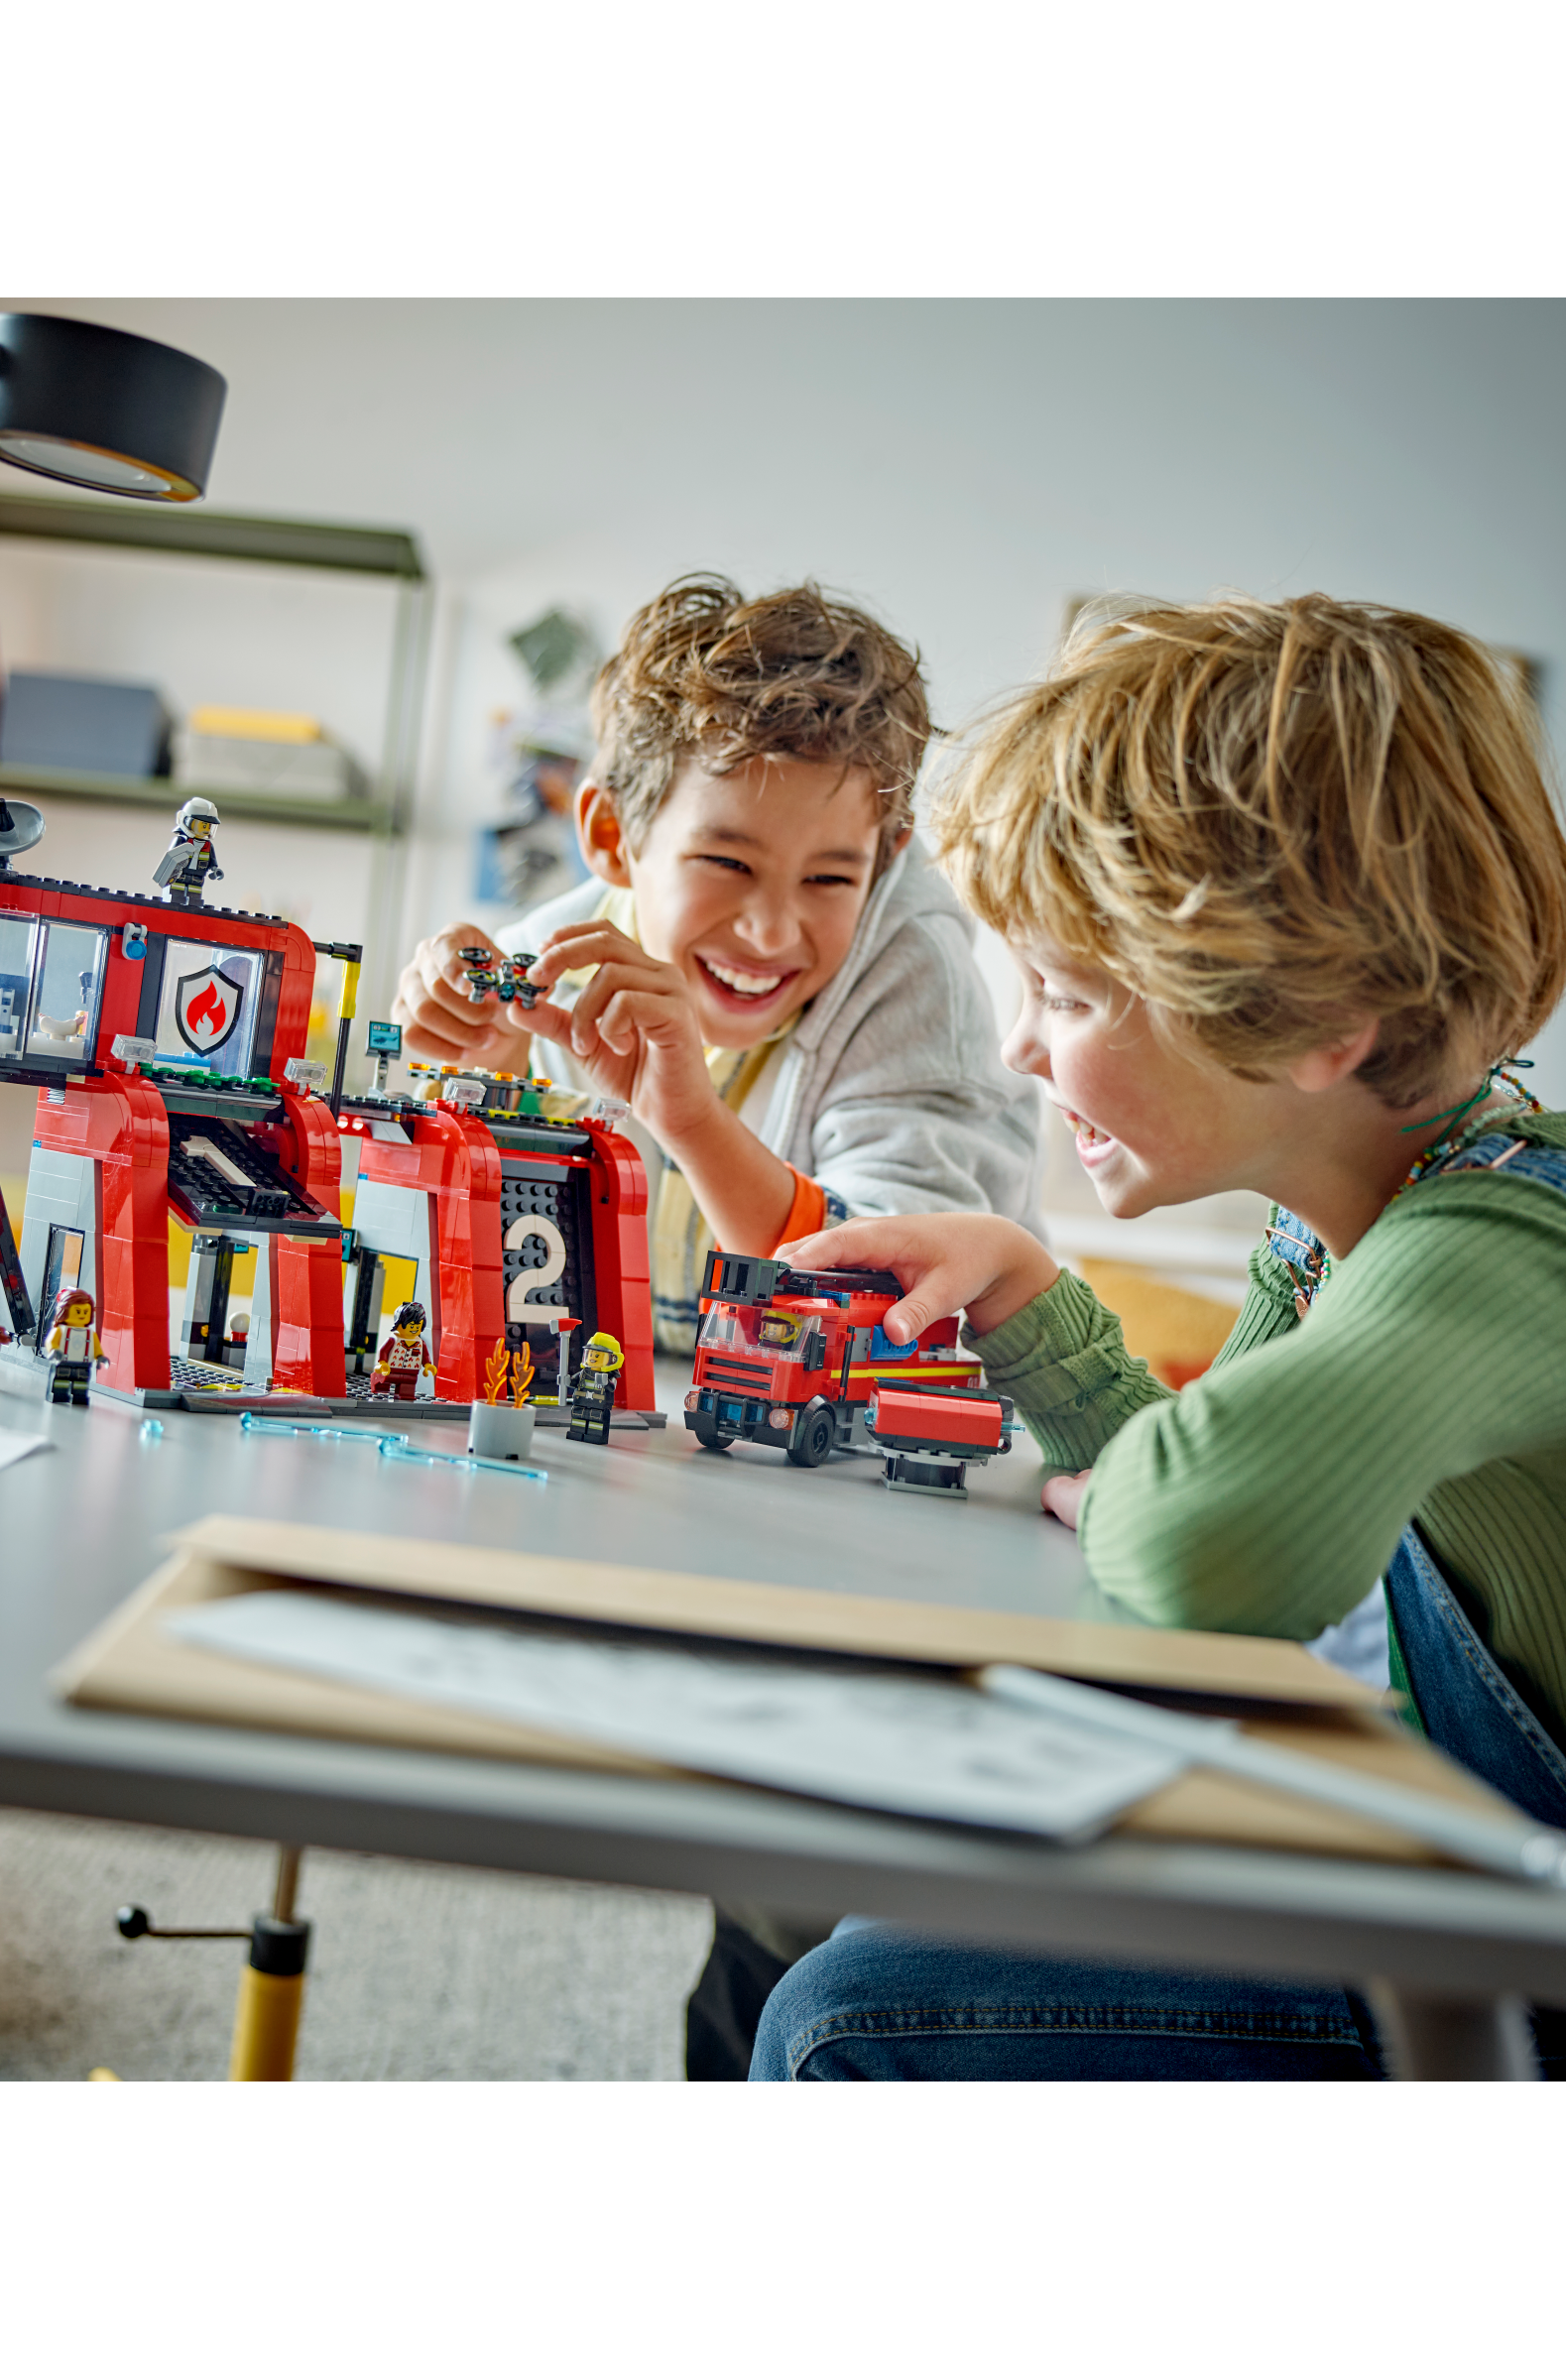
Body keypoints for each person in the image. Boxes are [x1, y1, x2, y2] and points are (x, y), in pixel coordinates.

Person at [750, 592, 1566, 2082]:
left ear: (1322, 1022)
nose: (1022, 1045)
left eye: (1070, 991)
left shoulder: (1501, 1255)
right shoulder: (1344, 1221)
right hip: (1497, 1884)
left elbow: (1201, 1544)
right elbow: (1198, 1479)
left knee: (851, 2016)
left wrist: (1139, 1498)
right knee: (877, 1905)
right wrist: (1025, 1289)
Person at [394, 575, 1051, 2070]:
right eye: (729, 862)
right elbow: (449, 1180)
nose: (773, 928)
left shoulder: (922, 984)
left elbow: (885, 1298)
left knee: (798, 1901)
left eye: (834, 875)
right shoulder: (566, 939)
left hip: (874, 1486)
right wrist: (453, 1048)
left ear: (886, 856)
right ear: (617, 842)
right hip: (662, 1443)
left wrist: (685, 1105)